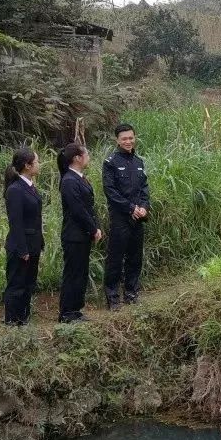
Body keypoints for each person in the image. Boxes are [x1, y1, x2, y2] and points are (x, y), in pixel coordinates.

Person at [102, 123, 151, 310]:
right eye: (124, 139)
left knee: (135, 257)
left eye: (131, 138)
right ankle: (113, 297)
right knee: (116, 257)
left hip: (139, 217)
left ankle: (131, 293)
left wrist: (144, 207)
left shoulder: (139, 162)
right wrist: (131, 207)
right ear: (117, 140)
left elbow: (144, 189)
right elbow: (110, 191)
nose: (128, 141)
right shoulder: (110, 162)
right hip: (121, 217)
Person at [57, 142, 103, 323]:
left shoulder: (80, 178)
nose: (89, 157)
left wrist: (96, 227)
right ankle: (66, 312)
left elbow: (89, 207)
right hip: (74, 235)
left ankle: (76, 309)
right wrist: (92, 228)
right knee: (73, 273)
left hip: (83, 234)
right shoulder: (68, 180)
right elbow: (77, 210)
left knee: (81, 273)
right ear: (77, 158)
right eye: (87, 154)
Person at [3, 148, 43, 326]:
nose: (39, 165)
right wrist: (22, 249)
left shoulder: (29, 186)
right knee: (17, 284)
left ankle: (23, 318)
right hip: (22, 246)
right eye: (37, 161)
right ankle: (12, 320)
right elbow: (16, 222)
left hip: (33, 243)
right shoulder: (15, 190)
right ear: (27, 166)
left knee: (28, 284)